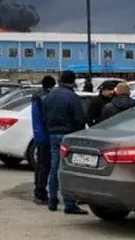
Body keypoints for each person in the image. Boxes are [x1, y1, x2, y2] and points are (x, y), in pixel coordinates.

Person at [43, 70, 87, 214]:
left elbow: (45, 115)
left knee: (54, 167)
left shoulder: (49, 96)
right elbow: (79, 119)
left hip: (53, 134)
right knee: (68, 170)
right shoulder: (72, 97)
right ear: (73, 81)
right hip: (68, 135)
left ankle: (52, 200)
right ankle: (69, 203)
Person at [30, 75, 56, 205]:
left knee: (41, 165)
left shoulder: (37, 96)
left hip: (38, 135)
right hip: (45, 135)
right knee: (45, 165)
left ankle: (38, 191)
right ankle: (40, 193)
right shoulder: (45, 97)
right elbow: (47, 117)